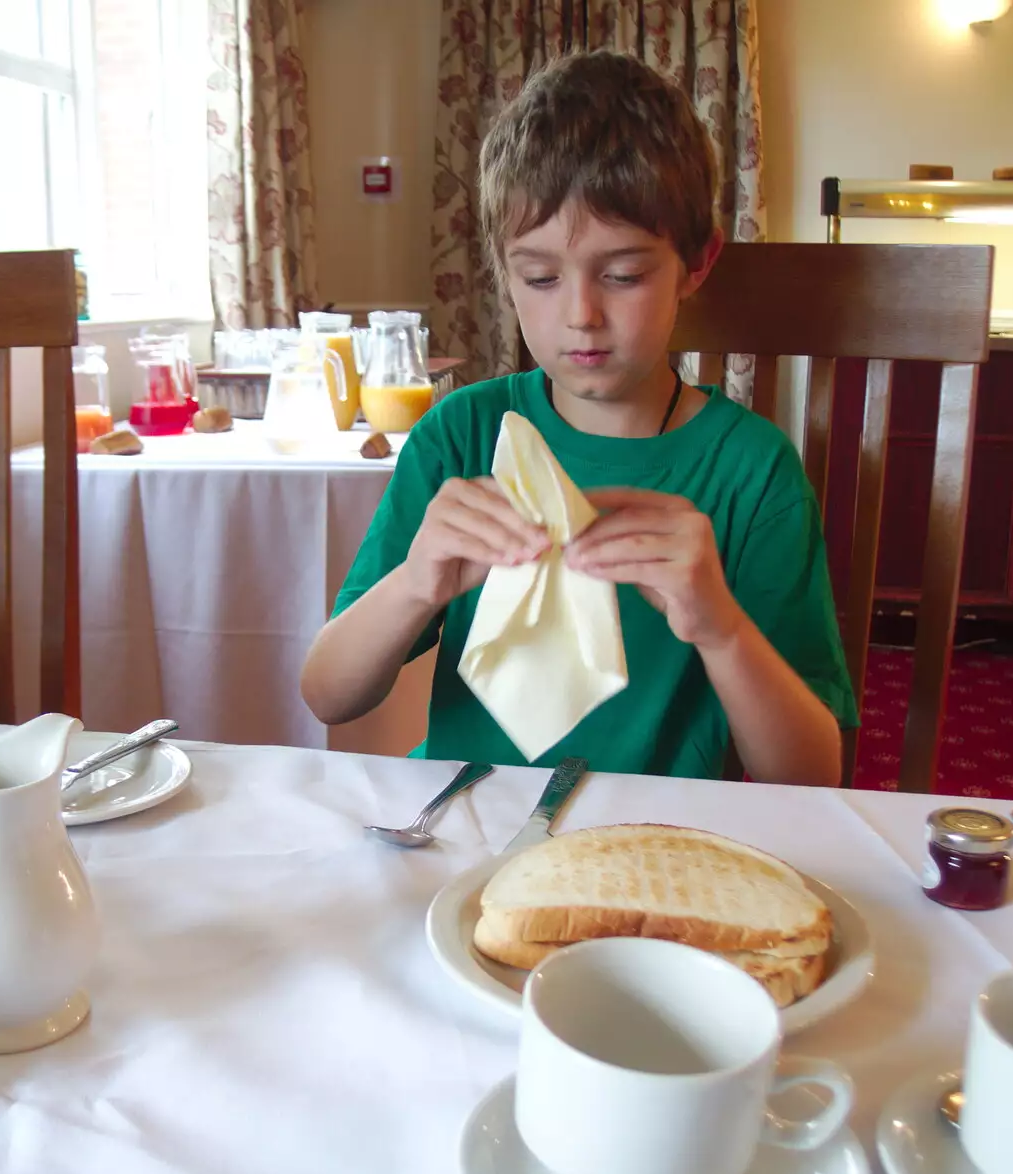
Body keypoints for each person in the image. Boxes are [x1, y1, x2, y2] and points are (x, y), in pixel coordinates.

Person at [300, 50, 856, 785]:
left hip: (659, 839)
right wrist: (415, 582)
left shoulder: (752, 472)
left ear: (696, 264)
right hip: (470, 816)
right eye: (540, 276)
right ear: (504, 272)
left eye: (623, 275)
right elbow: (329, 694)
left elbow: (811, 778)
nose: (581, 314)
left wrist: (719, 626)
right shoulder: (461, 436)